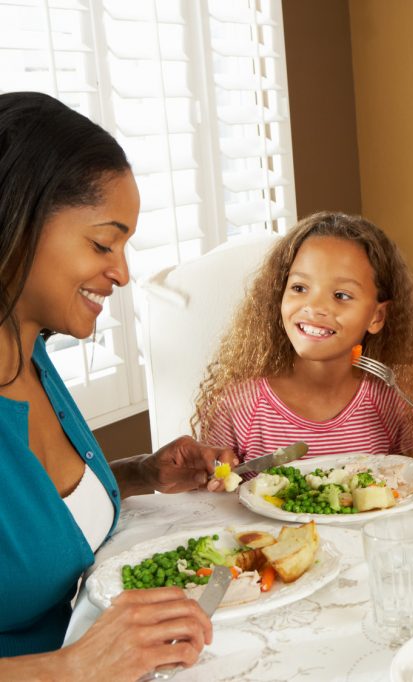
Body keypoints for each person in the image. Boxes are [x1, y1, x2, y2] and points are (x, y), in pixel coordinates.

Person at [0, 92, 236, 676]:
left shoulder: (28, 349)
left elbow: (34, 515)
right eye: (104, 243)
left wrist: (137, 475)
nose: (123, 272)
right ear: (17, 220)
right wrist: (72, 667)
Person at [192, 212, 413, 465]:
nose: (315, 307)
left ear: (377, 317)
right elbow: (210, 503)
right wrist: (215, 479)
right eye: (299, 287)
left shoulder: (393, 403)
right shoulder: (238, 406)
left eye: (341, 295)